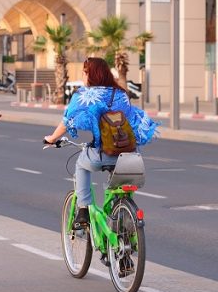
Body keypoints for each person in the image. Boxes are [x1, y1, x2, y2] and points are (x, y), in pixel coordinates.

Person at [44, 57, 158, 229]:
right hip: (128, 155)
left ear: (89, 73)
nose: (83, 75)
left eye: (84, 72)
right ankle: (124, 224)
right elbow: (131, 120)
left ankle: (83, 209)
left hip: (102, 154)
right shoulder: (120, 94)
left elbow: (68, 121)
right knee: (120, 186)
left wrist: (52, 138)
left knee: (81, 166)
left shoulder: (83, 95)